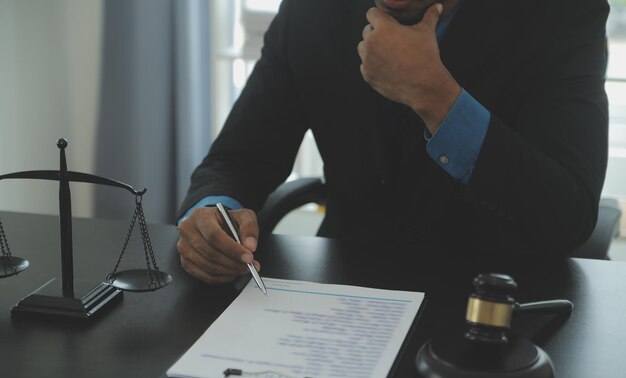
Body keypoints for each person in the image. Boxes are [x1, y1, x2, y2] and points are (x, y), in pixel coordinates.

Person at [177, 0, 610, 285]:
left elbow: (567, 213)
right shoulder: (310, 11)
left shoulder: (561, 14)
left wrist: (438, 98)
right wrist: (213, 214)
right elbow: (237, 158)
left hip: (495, 309)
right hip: (345, 294)